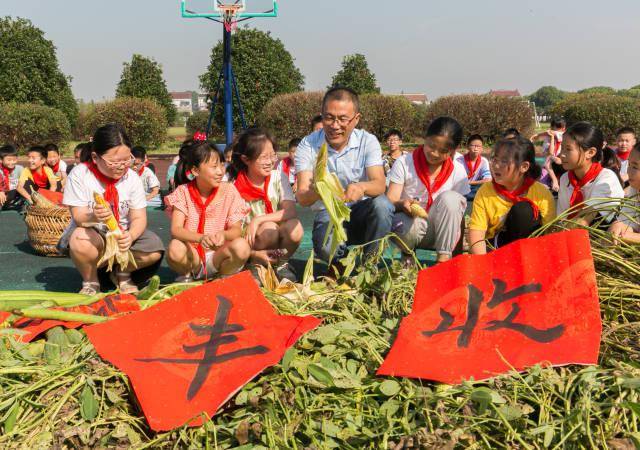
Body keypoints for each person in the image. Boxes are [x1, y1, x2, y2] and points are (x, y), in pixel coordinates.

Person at [61, 123, 164, 295]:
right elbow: (79, 217)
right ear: (95, 157)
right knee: (80, 237)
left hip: (123, 233)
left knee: (154, 249)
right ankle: (91, 280)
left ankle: (122, 273)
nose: (122, 166)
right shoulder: (80, 174)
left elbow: (139, 218)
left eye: (126, 160)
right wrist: (94, 215)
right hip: (96, 234)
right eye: (114, 162)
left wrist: (130, 236)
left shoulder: (132, 178)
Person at [295, 87, 394, 267]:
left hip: (361, 212)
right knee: (326, 247)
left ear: (356, 119)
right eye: (329, 117)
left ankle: (369, 266)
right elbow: (302, 197)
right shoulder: (308, 144)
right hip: (328, 214)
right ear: (322, 116)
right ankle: (336, 266)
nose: (335, 125)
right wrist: (320, 189)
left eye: (342, 119)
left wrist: (362, 187)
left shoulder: (368, 141)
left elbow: (380, 185)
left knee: (382, 205)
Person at [387, 117, 470, 263]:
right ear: (425, 139)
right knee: (404, 221)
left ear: (453, 150)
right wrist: (402, 204)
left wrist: (457, 257)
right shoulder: (405, 162)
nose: (435, 153)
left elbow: (459, 217)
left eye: (443, 150)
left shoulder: (458, 171)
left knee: (451, 199)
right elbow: (390, 200)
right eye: (431, 146)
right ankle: (407, 256)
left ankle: (443, 259)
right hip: (410, 227)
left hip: (440, 232)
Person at [165, 140, 250, 281]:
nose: (220, 171)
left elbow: (236, 229)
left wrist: (223, 235)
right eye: (214, 166)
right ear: (195, 171)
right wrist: (201, 238)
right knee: (175, 247)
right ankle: (187, 275)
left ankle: (223, 275)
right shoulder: (183, 192)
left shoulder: (229, 190)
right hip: (193, 256)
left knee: (241, 246)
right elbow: (176, 229)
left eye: (222, 165)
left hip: (218, 255)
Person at [230, 128, 303, 280]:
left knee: (295, 228)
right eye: (263, 157)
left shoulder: (278, 177)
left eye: (272, 155)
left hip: (276, 236)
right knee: (269, 229)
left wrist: (258, 219)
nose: (270, 161)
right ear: (246, 159)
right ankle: (255, 265)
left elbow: (290, 212)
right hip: (248, 241)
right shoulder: (234, 184)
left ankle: (281, 263)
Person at [469, 137, 556, 254]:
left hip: (530, 251)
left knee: (523, 210)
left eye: (504, 161)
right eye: (495, 159)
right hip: (496, 251)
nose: (496, 166)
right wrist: (482, 265)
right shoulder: (485, 192)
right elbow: (477, 234)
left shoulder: (541, 194)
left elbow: (550, 233)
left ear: (524, 167)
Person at [557, 122, 624, 227]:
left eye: (568, 149)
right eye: (562, 148)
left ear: (590, 152)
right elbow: (562, 217)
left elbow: (583, 220)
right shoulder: (565, 179)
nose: (561, 154)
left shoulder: (606, 178)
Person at [610, 143, 640, 243]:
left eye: (635, 167)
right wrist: (619, 226)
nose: (628, 171)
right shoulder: (635, 190)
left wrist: (628, 236)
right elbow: (628, 221)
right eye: (629, 164)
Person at [531, 117, 566, 192]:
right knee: (546, 159)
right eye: (553, 128)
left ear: (563, 128)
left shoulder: (563, 135)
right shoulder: (547, 137)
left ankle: (554, 181)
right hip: (546, 159)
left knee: (548, 159)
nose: (553, 130)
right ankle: (552, 181)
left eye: (556, 128)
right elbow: (547, 152)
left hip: (556, 158)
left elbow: (551, 133)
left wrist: (538, 135)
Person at [456, 134, 491, 200]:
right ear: (468, 147)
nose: (476, 148)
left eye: (479, 146)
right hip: (461, 187)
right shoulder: (459, 160)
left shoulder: (483, 161)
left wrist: (470, 182)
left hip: (475, 188)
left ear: (482, 149)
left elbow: (488, 180)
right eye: (474, 146)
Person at [0, 144, 24, 210]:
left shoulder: (20, 169)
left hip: (16, 194)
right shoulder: (0, 171)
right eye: (9, 160)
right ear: (1, 160)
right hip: (3, 195)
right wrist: (0, 191)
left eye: (14, 159)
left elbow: (24, 183)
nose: (12, 162)